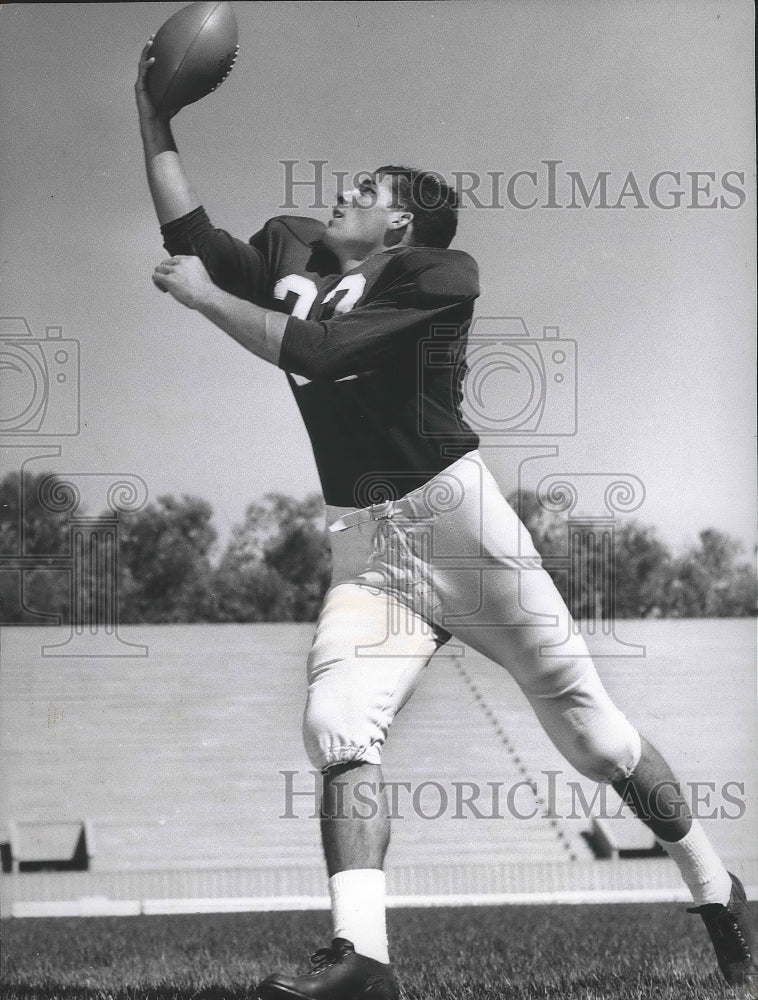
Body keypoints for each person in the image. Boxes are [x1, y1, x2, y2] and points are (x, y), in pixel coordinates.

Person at [135, 41, 756, 1000]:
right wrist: (153, 111)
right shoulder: (293, 249)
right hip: (365, 543)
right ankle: (363, 961)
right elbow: (189, 227)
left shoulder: (440, 274)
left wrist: (207, 298)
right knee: (335, 724)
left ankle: (720, 892)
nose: (344, 192)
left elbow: (320, 351)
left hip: (461, 526)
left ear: (403, 224)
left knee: (597, 744)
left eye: (368, 188)